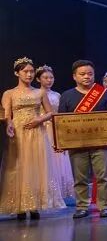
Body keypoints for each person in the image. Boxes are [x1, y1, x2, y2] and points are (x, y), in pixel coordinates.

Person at [0, 57, 65, 219]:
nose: (29, 74)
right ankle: (20, 206)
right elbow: (7, 115)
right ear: (17, 73)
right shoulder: (9, 93)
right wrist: (8, 125)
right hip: (18, 133)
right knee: (19, 166)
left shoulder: (39, 92)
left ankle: (35, 204)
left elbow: (50, 112)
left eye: (31, 71)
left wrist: (39, 119)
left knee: (36, 165)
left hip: (37, 132)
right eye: (25, 71)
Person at [57, 60, 107, 218]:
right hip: (77, 144)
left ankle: (104, 206)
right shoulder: (67, 95)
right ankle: (82, 206)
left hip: (100, 143)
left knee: (103, 176)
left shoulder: (103, 93)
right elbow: (61, 121)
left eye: (90, 74)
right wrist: (61, 141)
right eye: (82, 74)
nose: (86, 77)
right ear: (74, 76)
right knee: (80, 177)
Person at [36, 65, 75, 203]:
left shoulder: (57, 95)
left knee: (59, 158)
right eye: (45, 78)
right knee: (46, 158)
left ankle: (60, 192)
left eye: (51, 77)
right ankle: (45, 191)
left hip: (56, 128)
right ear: (38, 79)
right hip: (42, 128)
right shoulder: (35, 94)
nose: (49, 80)